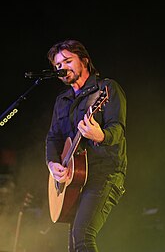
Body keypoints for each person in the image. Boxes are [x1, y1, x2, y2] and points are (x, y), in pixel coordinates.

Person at [45, 39, 127, 252]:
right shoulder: (62, 100)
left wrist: (101, 135)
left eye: (67, 61)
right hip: (76, 179)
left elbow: (117, 129)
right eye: (57, 66)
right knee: (73, 244)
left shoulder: (106, 89)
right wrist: (53, 164)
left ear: (85, 60)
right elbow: (53, 138)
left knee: (83, 236)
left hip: (104, 174)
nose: (62, 67)